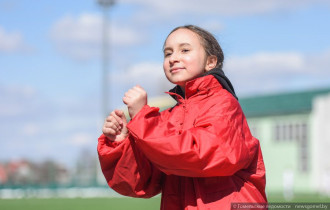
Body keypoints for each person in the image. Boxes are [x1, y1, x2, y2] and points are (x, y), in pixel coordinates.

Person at [98, 25, 267, 210]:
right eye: (167, 53)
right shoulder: (167, 118)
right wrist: (122, 144)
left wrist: (142, 118)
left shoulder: (224, 105)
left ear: (210, 62)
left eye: (184, 50)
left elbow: (198, 154)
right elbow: (139, 183)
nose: (173, 58)